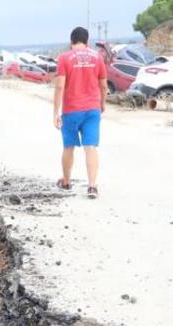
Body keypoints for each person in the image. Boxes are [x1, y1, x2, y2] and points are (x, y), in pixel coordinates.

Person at [53, 27, 107, 199]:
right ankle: (92, 186)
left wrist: (56, 111)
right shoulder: (97, 57)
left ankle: (67, 182)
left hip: (71, 110)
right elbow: (104, 85)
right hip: (92, 108)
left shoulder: (64, 58)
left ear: (71, 41)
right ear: (87, 41)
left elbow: (60, 86)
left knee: (68, 146)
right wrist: (102, 103)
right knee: (90, 147)